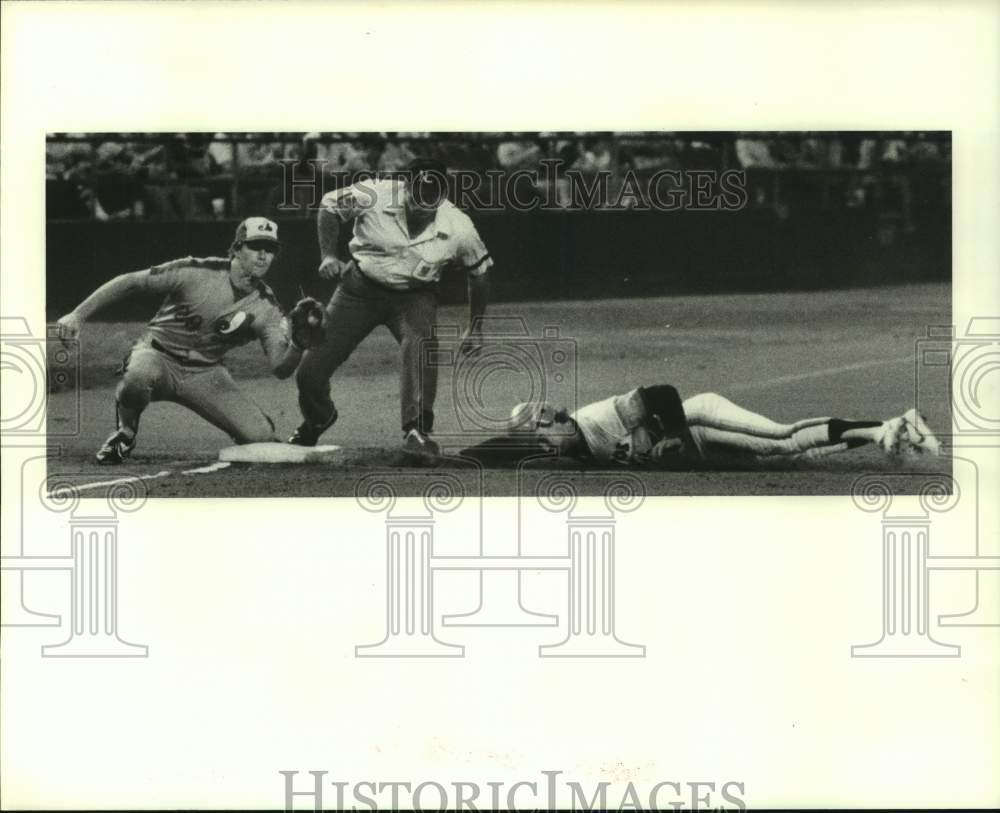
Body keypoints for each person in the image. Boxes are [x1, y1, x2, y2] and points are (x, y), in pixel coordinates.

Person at [55, 217, 311, 464]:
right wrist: (79, 314)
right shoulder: (196, 271)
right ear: (236, 248)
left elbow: (280, 368)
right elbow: (131, 282)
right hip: (157, 356)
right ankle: (126, 431)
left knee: (261, 438)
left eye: (270, 249)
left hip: (206, 373)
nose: (263, 255)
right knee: (137, 377)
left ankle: (244, 426)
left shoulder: (267, 306)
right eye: (255, 247)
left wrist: (298, 345)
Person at [291, 157, 493, 456]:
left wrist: (475, 329)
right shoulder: (375, 193)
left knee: (421, 345)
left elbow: (479, 275)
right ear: (406, 185)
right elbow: (329, 207)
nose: (423, 204)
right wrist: (328, 255)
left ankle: (417, 430)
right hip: (358, 290)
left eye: (432, 196)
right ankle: (319, 418)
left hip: (415, 296)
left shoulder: (459, 226)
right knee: (309, 373)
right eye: (418, 194)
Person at [506, 385, 940, 468]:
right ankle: (883, 431)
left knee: (779, 439)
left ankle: (886, 428)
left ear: (558, 420)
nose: (543, 446)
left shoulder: (597, 420)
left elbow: (661, 393)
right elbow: (498, 449)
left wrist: (674, 435)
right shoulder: (568, 449)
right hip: (686, 446)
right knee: (794, 459)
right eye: (537, 441)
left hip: (695, 420)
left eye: (542, 435)